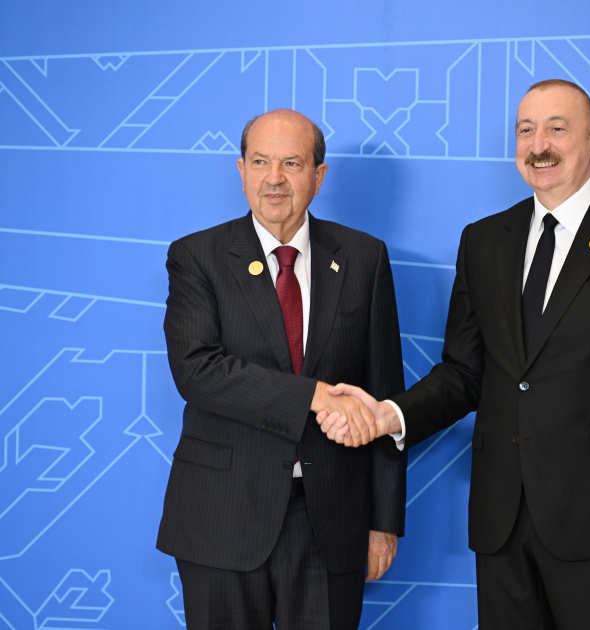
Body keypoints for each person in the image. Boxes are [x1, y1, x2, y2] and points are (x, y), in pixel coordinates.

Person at [318, 80, 590, 629]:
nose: (538, 144)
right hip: (502, 522)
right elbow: (464, 372)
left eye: (557, 129)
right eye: (526, 130)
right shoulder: (484, 241)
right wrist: (391, 415)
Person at [156, 109, 407, 630]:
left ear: (319, 175)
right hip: (221, 518)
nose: (274, 178)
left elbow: (383, 395)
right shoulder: (197, 256)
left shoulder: (364, 258)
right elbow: (198, 371)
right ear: (241, 170)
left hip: (330, 522)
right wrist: (315, 396)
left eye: (292, 163)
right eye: (260, 162)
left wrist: (383, 521)